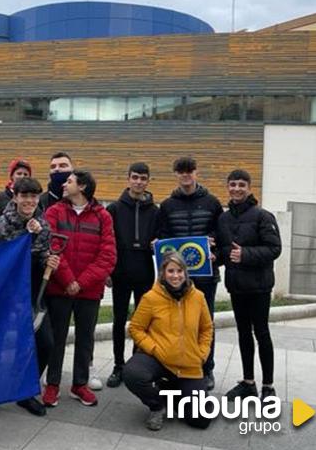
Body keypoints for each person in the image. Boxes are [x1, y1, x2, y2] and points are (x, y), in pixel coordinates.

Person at [0, 177, 56, 419]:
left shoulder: (43, 225)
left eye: (34, 197)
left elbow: (43, 253)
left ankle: (23, 389)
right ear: (15, 197)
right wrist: (26, 235)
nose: (30, 201)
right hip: (2, 295)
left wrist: (49, 260)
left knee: (45, 344)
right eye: (25, 196)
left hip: (31, 294)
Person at [42, 170, 116, 408]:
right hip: (59, 289)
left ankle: (79, 385)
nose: (64, 184)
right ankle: (52, 384)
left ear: (82, 187)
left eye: (70, 181)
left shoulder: (103, 216)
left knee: (85, 339)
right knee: (57, 338)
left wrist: (81, 282)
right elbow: (51, 246)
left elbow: (107, 256)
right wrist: (67, 280)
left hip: (89, 291)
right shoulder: (54, 212)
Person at [123, 252, 213, 431]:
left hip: (188, 364)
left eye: (179, 271)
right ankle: (157, 405)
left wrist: (202, 354)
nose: (175, 275)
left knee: (201, 421)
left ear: (185, 273)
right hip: (159, 358)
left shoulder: (198, 298)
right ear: (163, 273)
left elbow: (207, 329)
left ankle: (174, 391)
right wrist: (154, 348)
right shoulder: (151, 298)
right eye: (171, 271)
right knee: (133, 373)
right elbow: (135, 328)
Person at [157, 156, 223, 390]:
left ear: (197, 172)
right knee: (175, 324)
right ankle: (176, 368)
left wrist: (215, 250)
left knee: (205, 324)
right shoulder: (166, 205)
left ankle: (206, 369)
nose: (186, 175)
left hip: (206, 276)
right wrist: (160, 244)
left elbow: (220, 235)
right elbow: (163, 234)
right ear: (176, 174)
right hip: (176, 278)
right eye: (181, 171)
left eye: (190, 171)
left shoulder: (213, 203)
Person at [218, 170, 282, 400]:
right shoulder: (223, 219)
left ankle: (268, 386)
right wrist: (214, 253)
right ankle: (248, 382)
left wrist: (245, 254)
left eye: (241, 184)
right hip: (236, 286)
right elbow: (225, 251)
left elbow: (274, 249)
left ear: (249, 187)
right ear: (228, 187)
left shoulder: (263, 216)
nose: (236, 188)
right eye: (232, 184)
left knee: (262, 333)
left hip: (259, 287)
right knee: (243, 334)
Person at [105, 162, 158, 388]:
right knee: (119, 319)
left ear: (148, 181)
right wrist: (107, 270)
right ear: (128, 179)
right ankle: (118, 365)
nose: (138, 182)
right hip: (120, 271)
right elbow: (107, 242)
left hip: (145, 270)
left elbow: (162, 237)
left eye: (143, 178)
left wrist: (158, 243)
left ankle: (136, 364)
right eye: (135, 177)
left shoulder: (156, 211)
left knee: (142, 320)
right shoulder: (115, 208)